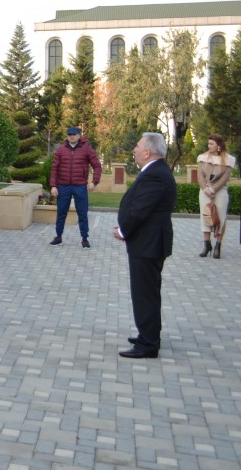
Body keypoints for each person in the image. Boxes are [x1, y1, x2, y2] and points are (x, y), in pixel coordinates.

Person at [114, 133, 176, 358]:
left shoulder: (156, 175)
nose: (134, 150)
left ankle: (148, 344)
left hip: (148, 242)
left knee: (144, 293)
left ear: (148, 152)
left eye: (138, 146)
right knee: (147, 291)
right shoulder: (156, 171)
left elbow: (141, 209)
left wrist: (122, 230)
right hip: (147, 241)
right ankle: (148, 334)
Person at [49, 126, 102, 249]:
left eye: (74, 134)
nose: (71, 136)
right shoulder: (61, 150)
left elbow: (97, 166)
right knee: (61, 212)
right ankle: (58, 237)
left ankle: (85, 239)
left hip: (80, 187)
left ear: (79, 135)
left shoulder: (87, 149)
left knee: (82, 213)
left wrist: (94, 182)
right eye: (69, 134)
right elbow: (54, 168)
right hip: (63, 186)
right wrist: (53, 186)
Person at [198, 134, 234, 258]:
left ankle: (218, 245)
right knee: (206, 216)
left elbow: (225, 178)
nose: (209, 146)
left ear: (219, 145)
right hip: (204, 191)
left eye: (212, 144)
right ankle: (206, 244)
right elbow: (200, 176)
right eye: (208, 143)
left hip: (220, 191)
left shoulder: (228, 159)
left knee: (220, 217)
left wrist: (213, 189)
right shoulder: (203, 157)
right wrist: (206, 189)